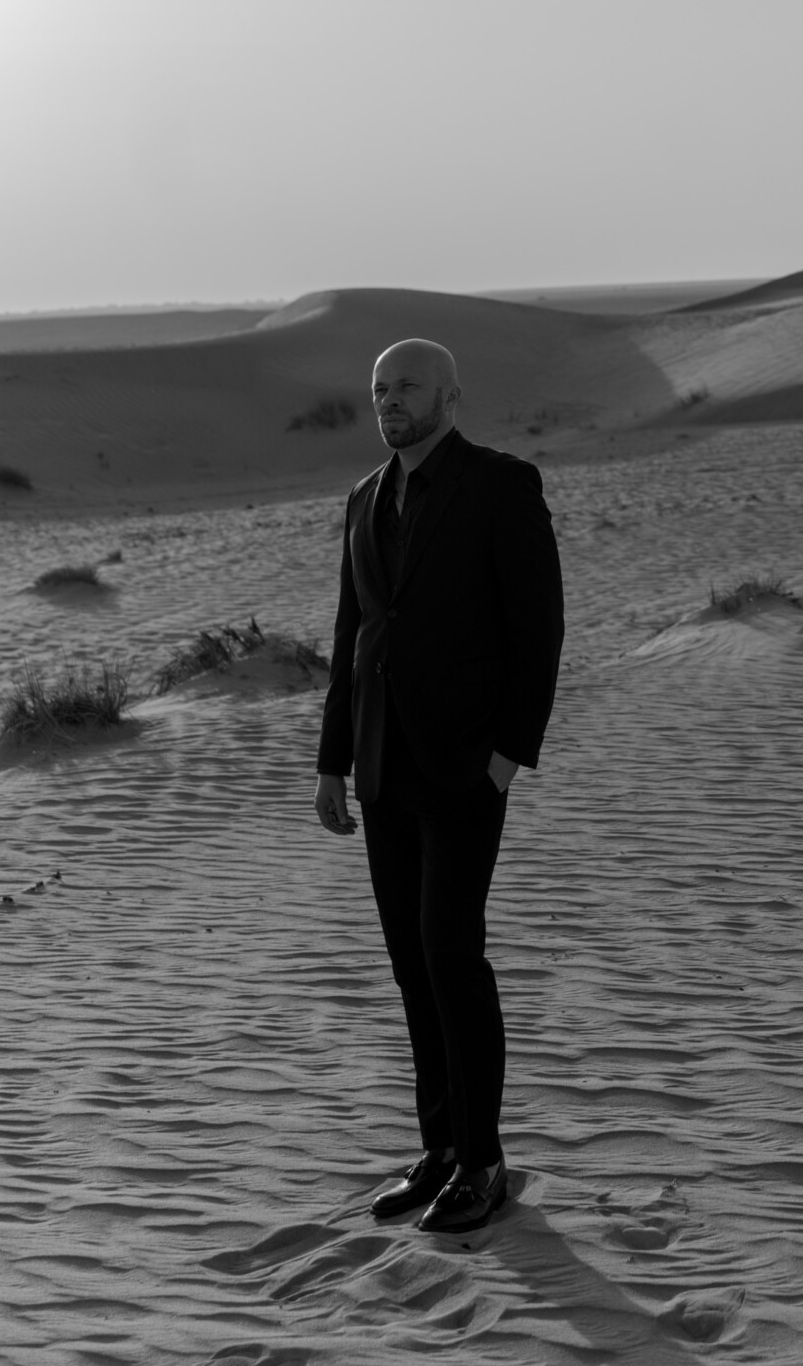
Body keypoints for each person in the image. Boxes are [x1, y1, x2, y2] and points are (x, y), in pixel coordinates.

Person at [314, 338, 564, 1236]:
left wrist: (509, 756)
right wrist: (333, 760)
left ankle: (484, 1162)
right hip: (383, 769)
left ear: (450, 397)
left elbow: (537, 628)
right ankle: (440, 1149)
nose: (390, 401)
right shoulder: (363, 496)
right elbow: (353, 635)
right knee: (411, 967)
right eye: (379, 388)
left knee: (452, 959)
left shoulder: (500, 485)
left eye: (408, 387)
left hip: (464, 767)